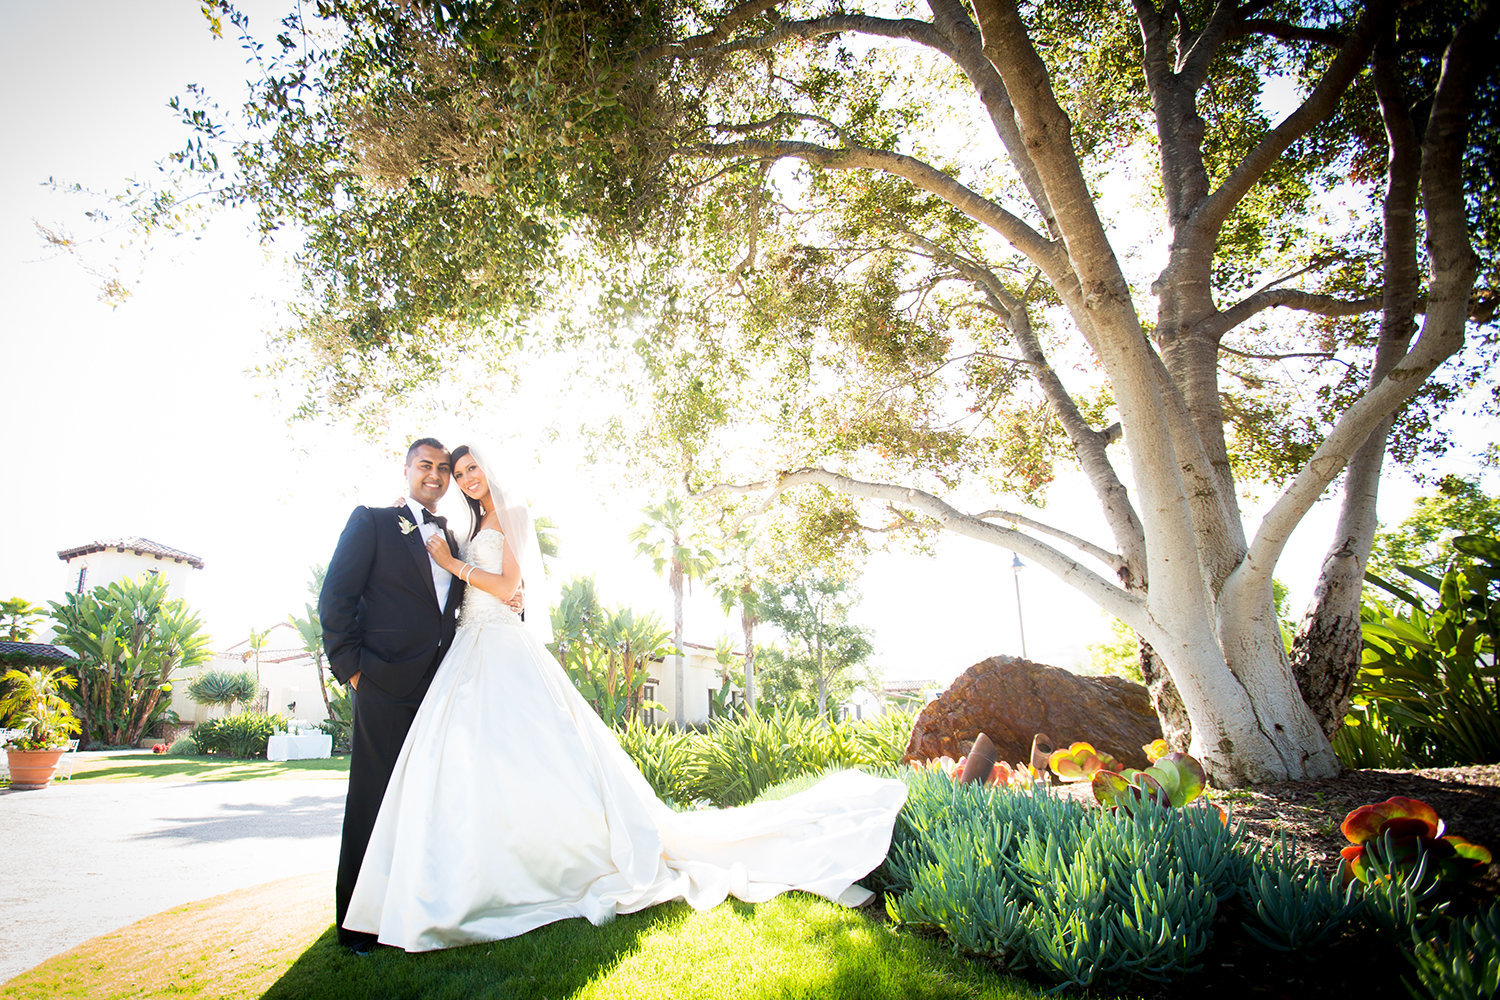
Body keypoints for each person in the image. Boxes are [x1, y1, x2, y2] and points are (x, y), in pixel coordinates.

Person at [342, 444, 909, 952]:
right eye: (453, 471)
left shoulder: (508, 516)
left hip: (500, 644)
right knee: (473, 763)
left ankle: (547, 865)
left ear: (489, 469)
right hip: (469, 646)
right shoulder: (460, 522)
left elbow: (513, 587)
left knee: (531, 754)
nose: (463, 478)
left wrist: (452, 563)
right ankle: (467, 875)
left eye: (468, 468)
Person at [318, 438, 467, 952]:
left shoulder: (453, 536)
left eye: (442, 468)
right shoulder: (374, 522)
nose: (435, 474)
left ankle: (414, 906)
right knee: (373, 798)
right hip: (382, 682)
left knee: (425, 798)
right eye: (425, 465)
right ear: (407, 470)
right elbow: (336, 596)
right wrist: (353, 670)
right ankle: (357, 924)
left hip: (440, 684)